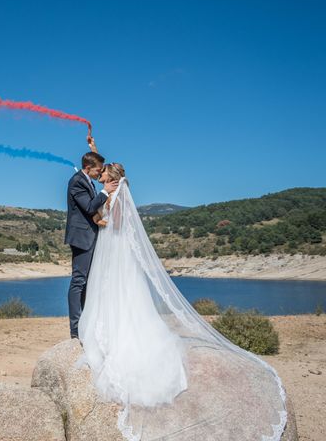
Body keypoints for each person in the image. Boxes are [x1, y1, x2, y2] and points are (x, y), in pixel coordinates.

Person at [75, 155, 289, 440]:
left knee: (116, 292)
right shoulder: (117, 191)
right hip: (118, 254)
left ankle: (116, 338)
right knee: (123, 294)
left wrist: (99, 220)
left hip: (115, 253)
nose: (99, 175)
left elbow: (112, 224)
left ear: (111, 178)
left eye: (103, 174)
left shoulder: (115, 195)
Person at [65, 136, 118, 339]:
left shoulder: (86, 179)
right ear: (88, 168)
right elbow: (88, 207)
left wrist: (93, 147)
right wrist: (105, 191)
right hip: (81, 238)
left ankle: (85, 323)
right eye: (98, 170)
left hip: (91, 236)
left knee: (87, 282)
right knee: (78, 281)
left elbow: (99, 166)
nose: (100, 173)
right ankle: (75, 330)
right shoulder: (77, 182)